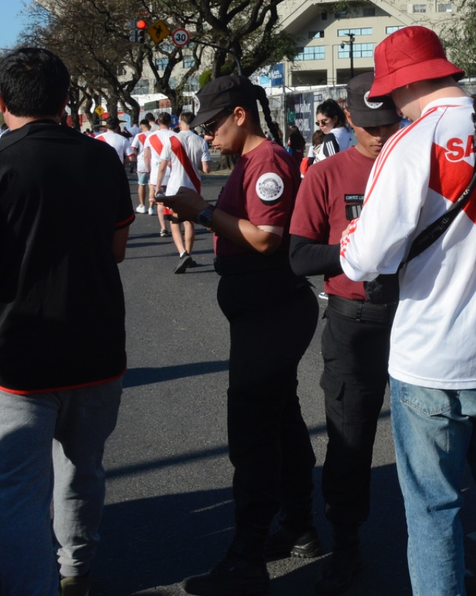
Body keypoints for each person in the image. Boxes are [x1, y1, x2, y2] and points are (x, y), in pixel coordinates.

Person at [339, 25, 476, 595]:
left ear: (398, 87)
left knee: (434, 513)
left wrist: (351, 234)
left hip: (431, 360)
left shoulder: (409, 144)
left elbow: (364, 261)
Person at [161, 76, 319, 595]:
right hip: (262, 311)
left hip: (271, 309)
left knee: (252, 432)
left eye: (211, 124)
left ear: (239, 115)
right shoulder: (250, 162)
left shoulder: (267, 162)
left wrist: (200, 210)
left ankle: (246, 557)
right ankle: (299, 526)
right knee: (282, 421)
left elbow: (265, 238)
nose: (205, 135)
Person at [0, 48, 133, 596]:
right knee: (83, 471)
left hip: (20, 353)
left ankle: (31, 585)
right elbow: (119, 247)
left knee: (18, 489)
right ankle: (76, 570)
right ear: (64, 99)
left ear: (3, 102)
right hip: (97, 344)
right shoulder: (100, 157)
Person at [288, 73, 402, 593]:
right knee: (350, 435)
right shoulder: (327, 175)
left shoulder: (418, 166)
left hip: (416, 319)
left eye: (392, 122)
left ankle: (435, 540)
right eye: (372, 124)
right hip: (353, 322)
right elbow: (298, 255)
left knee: (433, 436)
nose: (382, 134)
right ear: (350, 118)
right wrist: (355, 253)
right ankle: (346, 541)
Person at [154, 111, 212, 273]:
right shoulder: (201, 141)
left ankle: (182, 253)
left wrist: (158, 186)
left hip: (174, 186)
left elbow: (163, 166)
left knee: (174, 221)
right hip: (192, 186)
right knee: (189, 221)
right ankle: (189, 253)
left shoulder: (171, 140)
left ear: (180, 122)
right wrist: (195, 165)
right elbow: (206, 169)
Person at [145, 112, 175, 238]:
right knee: (174, 201)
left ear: (158, 122)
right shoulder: (175, 135)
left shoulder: (151, 137)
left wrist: (148, 170)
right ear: (170, 122)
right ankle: (175, 225)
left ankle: (163, 228)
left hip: (157, 173)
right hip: (173, 172)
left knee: (160, 203)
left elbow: (147, 155)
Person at [130, 117, 153, 213]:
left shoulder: (139, 136)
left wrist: (137, 154)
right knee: (152, 185)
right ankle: (151, 207)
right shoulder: (153, 135)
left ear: (141, 127)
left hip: (142, 162)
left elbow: (134, 147)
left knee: (142, 184)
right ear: (149, 126)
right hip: (153, 162)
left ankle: (142, 205)